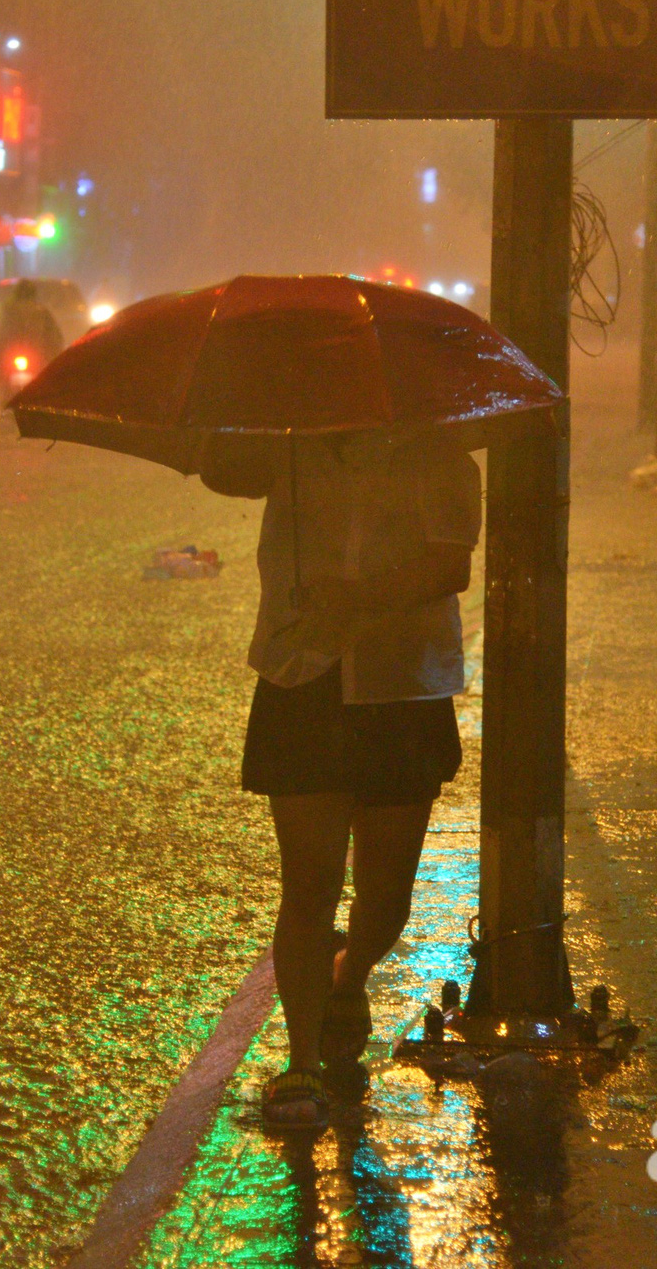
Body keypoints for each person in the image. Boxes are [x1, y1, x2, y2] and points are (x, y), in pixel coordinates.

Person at [201, 428, 482, 1128]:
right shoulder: (289, 441)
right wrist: (243, 416)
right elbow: (223, 468)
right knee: (309, 881)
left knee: (386, 898)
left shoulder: (439, 453)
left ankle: (347, 976)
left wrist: (359, 596)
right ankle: (301, 1060)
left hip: (402, 686)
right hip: (303, 675)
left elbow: (450, 565)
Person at [0, 279, 65, 387]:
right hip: (35, 352)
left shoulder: (6, 308)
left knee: (2, 377)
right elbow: (54, 335)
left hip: (10, 352)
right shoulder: (41, 310)